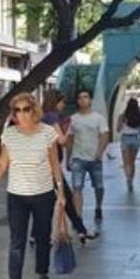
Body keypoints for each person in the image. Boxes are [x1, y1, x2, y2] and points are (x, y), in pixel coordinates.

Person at [0, 93, 65, 279]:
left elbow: (55, 164)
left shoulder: (47, 133)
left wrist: (61, 192)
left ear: (34, 110)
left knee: (42, 235)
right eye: (17, 110)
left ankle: (42, 270)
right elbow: (2, 163)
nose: (22, 114)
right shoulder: (10, 134)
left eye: (25, 109)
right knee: (17, 239)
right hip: (17, 195)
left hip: (43, 193)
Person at [41, 91, 97, 244]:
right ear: (55, 102)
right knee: (65, 199)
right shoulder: (52, 117)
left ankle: (80, 230)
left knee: (52, 200)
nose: (63, 105)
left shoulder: (41, 116)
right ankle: (81, 230)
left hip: (42, 164)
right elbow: (61, 140)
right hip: (51, 166)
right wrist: (69, 130)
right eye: (62, 102)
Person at [68, 89, 109, 226]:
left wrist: (100, 152)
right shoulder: (73, 119)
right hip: (78, 158)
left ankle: (98, 206)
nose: (83, 100)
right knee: (77, 187)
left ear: (90, 99)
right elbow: (70, 138)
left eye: (86, 97)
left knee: (99, 186)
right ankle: (78, 218)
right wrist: (69, 157)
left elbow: (105, 135)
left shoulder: (98, 118)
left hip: (95, 158)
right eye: (80, 97)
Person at [117, 98, 140, 192]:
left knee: (126, 162)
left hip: (125, 138)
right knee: (132, 162)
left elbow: (118, 129)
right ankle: (131, 180)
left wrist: (123, 123)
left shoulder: (123, 116)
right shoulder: (139, 116)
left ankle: (128, 179)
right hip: (135, 139)